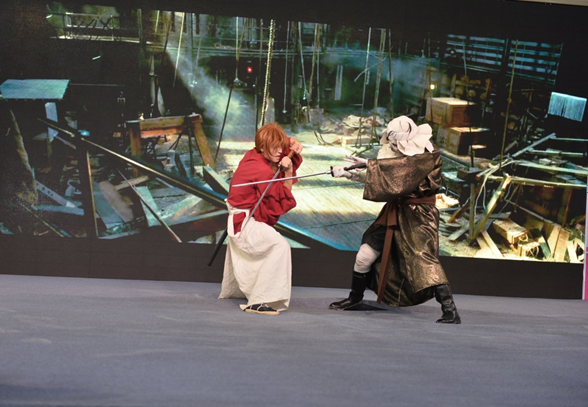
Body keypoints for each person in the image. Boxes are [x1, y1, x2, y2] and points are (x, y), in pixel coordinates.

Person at [329, 115, 461, 324]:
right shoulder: (396, 157)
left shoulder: (427, 155)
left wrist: (369, 164)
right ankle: (355, 298)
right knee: (365, 255)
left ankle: (450, 310)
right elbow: (386, 180)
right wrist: (349, 174)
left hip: (419, 215)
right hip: (395, 211)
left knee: (423, 260)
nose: (392, 147)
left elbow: (404, 171)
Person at [219, 122, 303, 315]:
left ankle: (254, 293)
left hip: (244, 216)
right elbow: (276, 205)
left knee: (271, 247)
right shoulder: (262, 170)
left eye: (282, 147)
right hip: (245, 223)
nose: (280, 151)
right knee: (279, 246)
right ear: (262, 147)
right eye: (275, 147)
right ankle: (258, 301)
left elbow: (278, 145)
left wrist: (293, 141)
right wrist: (288, 171)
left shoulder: (253, 154)